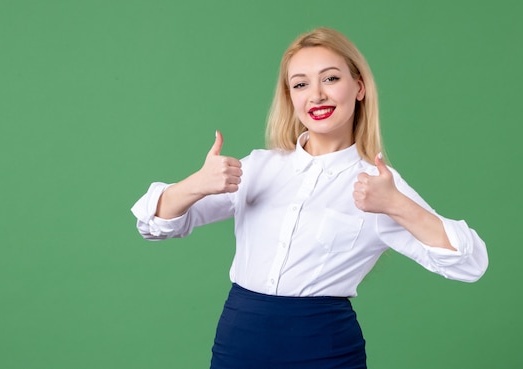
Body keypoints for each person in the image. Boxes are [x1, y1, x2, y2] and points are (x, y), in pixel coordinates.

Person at [131, 27, 488, 369]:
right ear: (291, 97)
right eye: (300, 84)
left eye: (330, 79)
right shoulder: (258, 167)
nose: (316, 95)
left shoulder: (380, 186)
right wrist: (197, 183)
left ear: (359, 87)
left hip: (324, 349)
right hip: (239, 342)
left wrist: (396, 204)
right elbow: (153, 225)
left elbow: (469, 264)